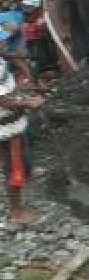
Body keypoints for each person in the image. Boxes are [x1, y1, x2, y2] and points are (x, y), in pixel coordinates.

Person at [0, 54, 43, 227]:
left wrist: (23, 92)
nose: (3, 42)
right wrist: (28, 102)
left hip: (13, 122)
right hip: (5, 127)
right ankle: (17, 212)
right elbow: (4, 101)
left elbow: (8, 87)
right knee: (12, 165)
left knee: (22, 151)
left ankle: (28, 172)